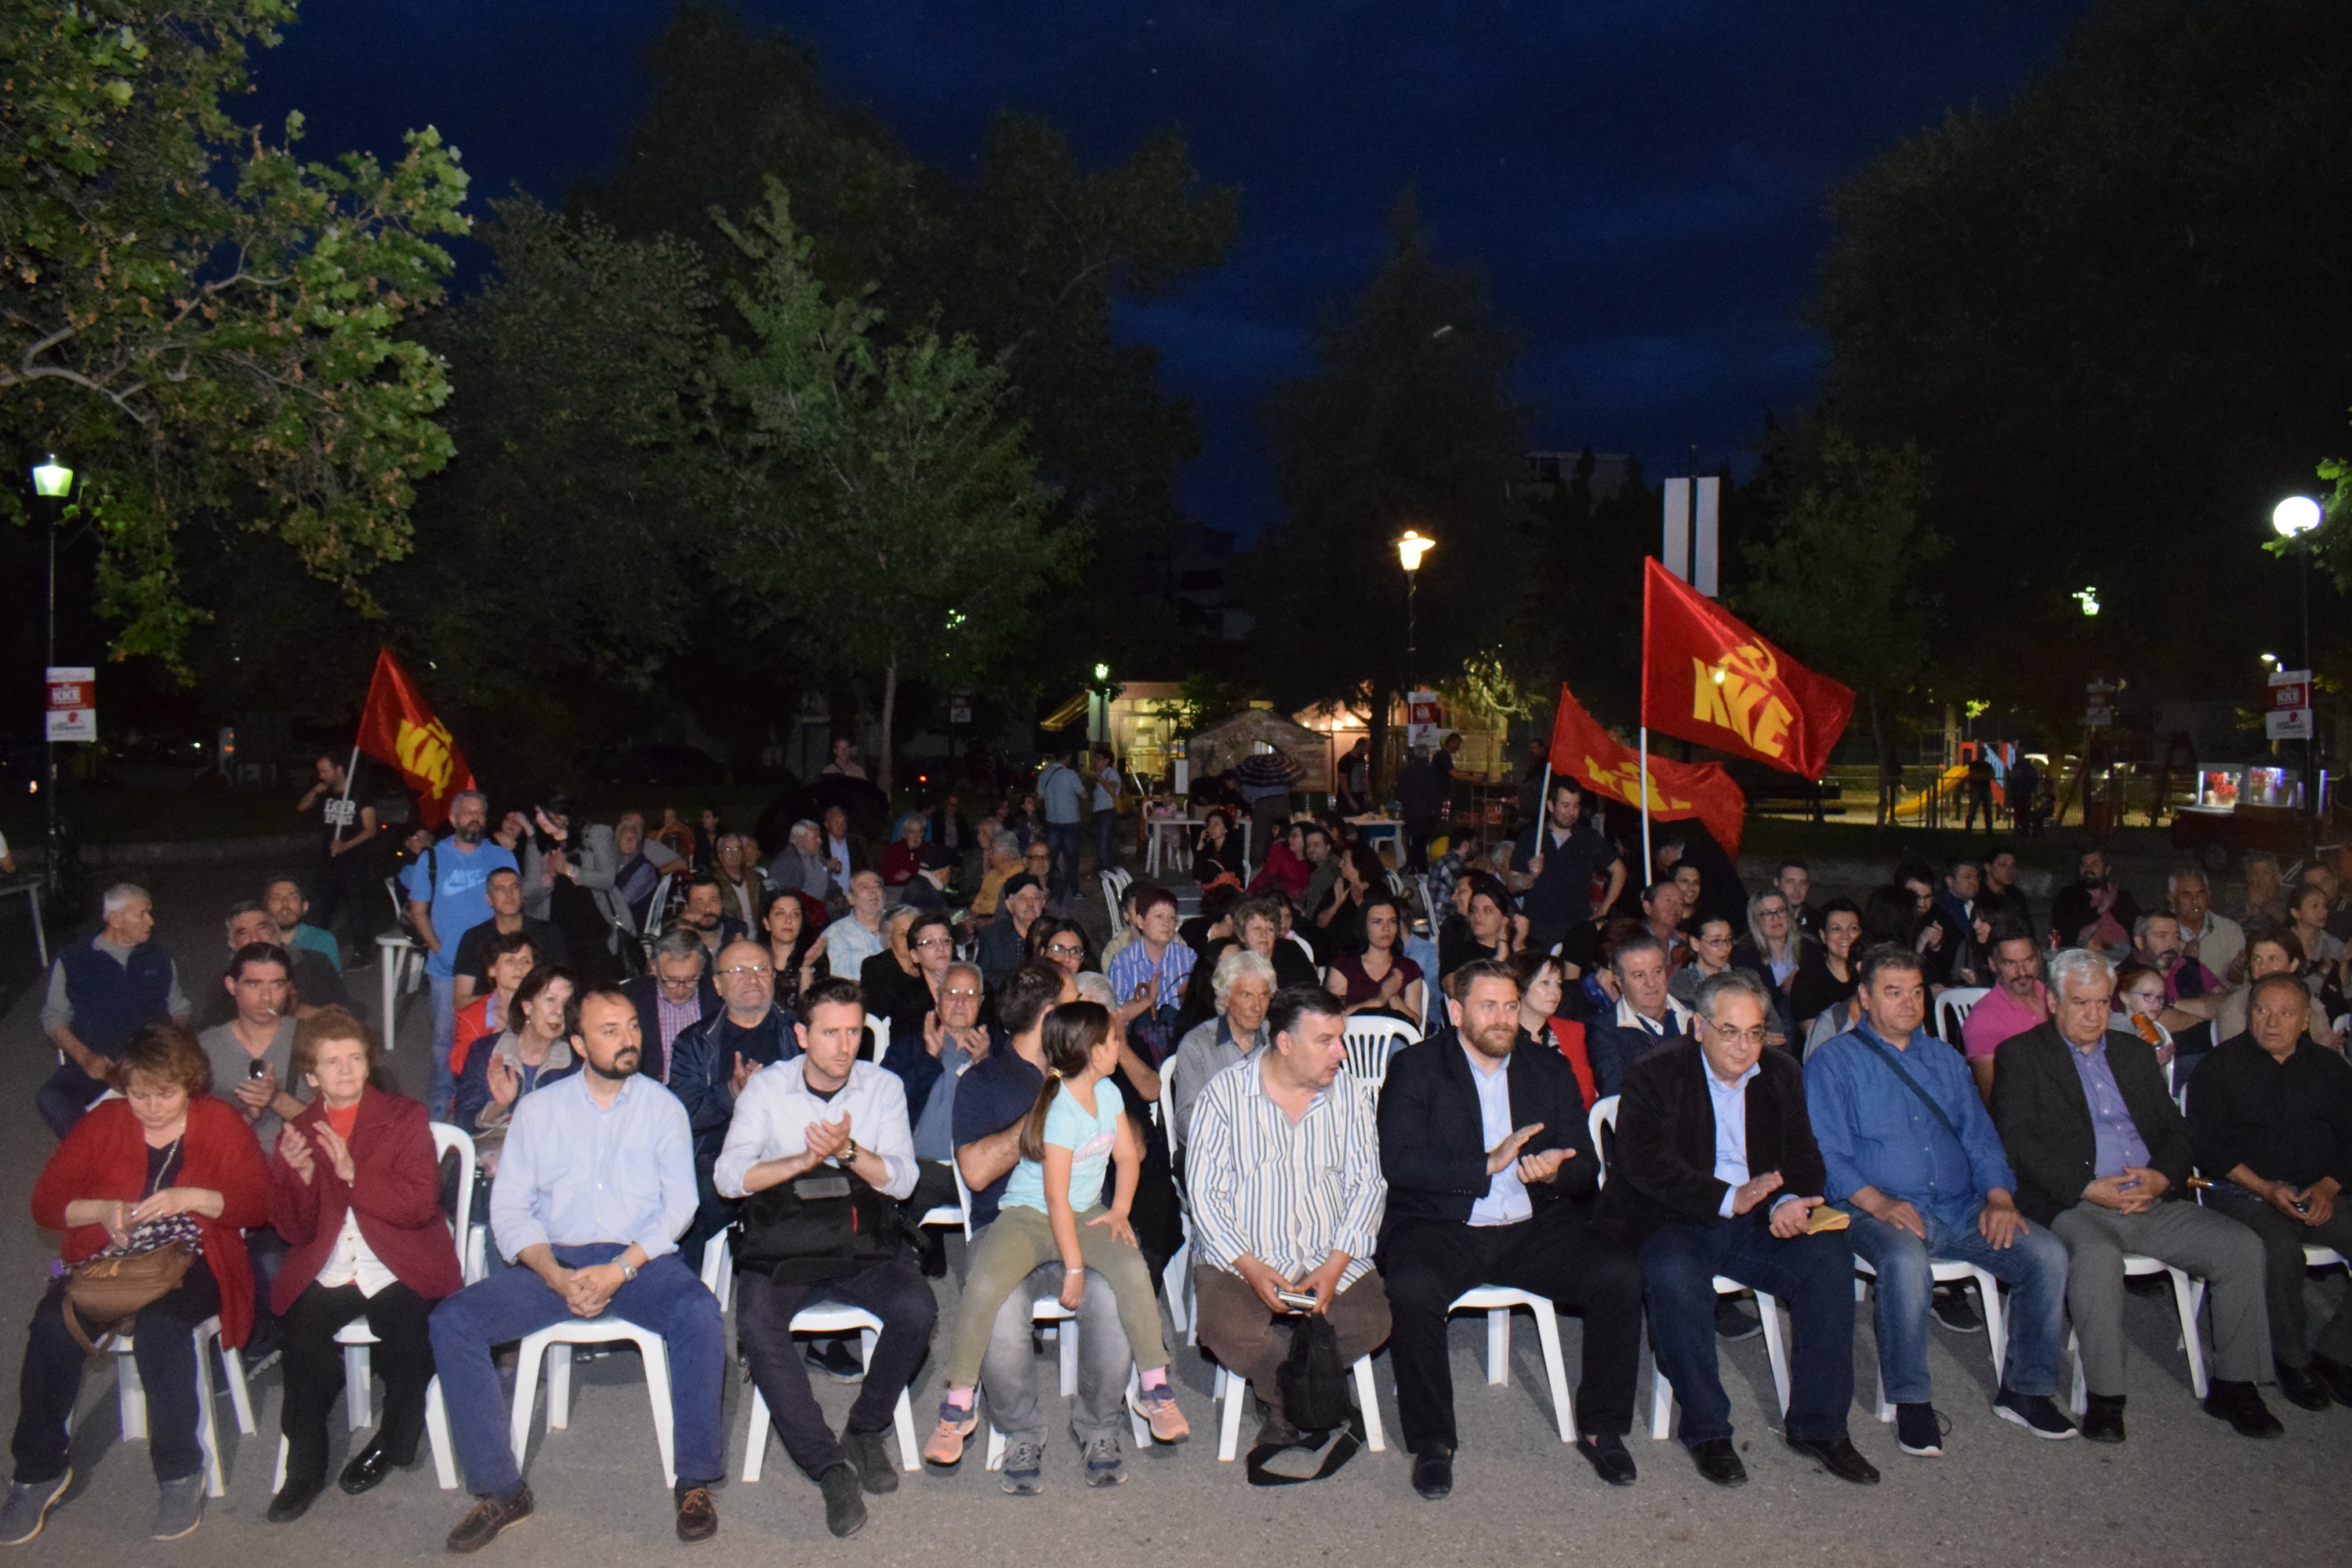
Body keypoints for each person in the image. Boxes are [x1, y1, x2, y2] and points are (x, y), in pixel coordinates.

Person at [426, 983, 724, 1549]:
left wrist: (620, 1269)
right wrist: (555, 1275)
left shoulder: (663, 1107)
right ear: (580, 1044)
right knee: (453, 1321)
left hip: (638, 1260)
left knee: (700, 1315)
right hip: (556, 1260)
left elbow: (680, 1207)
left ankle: (694, 1479)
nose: (628, 1039)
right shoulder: (539, 1111)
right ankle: (501, 1489)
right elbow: (510, 1211)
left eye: (632, 1026)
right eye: (610, 1031)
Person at [1599, 970, 1878, 1488]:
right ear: (1698, 1027)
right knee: (1674, 1275)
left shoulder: (1781, 1073)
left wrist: (1787, 1202)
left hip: (1756, 1219)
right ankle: (1707, 1430)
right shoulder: (1653, 1073)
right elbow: (1644, 1165)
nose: (1743, 1045)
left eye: (1754, 1032)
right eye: (1729, 1031)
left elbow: (1804, 1158)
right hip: (1674, 1216)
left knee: (1828, 1261)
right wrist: (1729, 1197)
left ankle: (1819, 1426)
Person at [1990, 948, 2281, 1442]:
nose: (2094, 1015)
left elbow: (2177, 1131)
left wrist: (2161, 1178)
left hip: (2148, 1197)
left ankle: (2235, 1386)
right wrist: (2087, 1187)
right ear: (2054, 1002)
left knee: (2240, 1246)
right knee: (2097, 1258)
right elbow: (2016, 1143)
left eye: (2102, 1003)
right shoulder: (2022, 1055)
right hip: (2075, 1203)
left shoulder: (2132, 1053)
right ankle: (2106, 1397)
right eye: (2080, 1003)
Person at [1377, 960, 1642, 1494]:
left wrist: (1555, 1171)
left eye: (1510, 1006)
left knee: (1619, 1273)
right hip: (1443, 1223)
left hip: (1533, 1224)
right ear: (1456, 1012)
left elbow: (1586, 1166)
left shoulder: (1547, 1067)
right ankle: (1433, 1441)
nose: (1502, 1018)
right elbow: (1399, 1162)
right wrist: (1486, 1163)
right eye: (1488, 1006)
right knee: (1412, 1286)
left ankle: (1602, 1427)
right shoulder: (1416, 1067)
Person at [4, 1024, 269, 1543]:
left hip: (197, 1257)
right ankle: (38, 1470)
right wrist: (103, 1210)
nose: (150, 1107)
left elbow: (258, 1204)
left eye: (164, 1095)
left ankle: (179, 1471)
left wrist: (191, 1198)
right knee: (51, 1325)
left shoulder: (219, 1122)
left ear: (189, 1084)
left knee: (161, 1327)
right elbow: (46, 1204)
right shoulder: (104, 1122)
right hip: (114, 1261)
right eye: (138, 1094)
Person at [1806, 946, 2076, 1454]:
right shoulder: (1833, 1063)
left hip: (1960, 1205)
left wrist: (1999, 1198)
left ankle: (2026, 1390)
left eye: (1916, 992)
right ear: (1865, 997)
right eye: (1893, 992)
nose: (1909, 1003)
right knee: (1906, 1261)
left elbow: (1981, 1138)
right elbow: (1826, 1154)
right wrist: (1879, 1203)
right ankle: (1911, 1400)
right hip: (1870, 1208)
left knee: (2047, 1254)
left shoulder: (1946, 1060)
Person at [714, 978, 935, 1537]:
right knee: (757, 1324)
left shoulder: (882, 1086)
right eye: (831, 1033)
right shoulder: (767, 1088)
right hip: (785, 1243)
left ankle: (865, 1427)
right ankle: (828, 1464)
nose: (844, 1045)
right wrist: (800, 1161)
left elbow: (904, 1180)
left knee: (917, 1309)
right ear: (801, 1035)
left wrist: (847, 1151)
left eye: (854, 1032)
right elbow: (728, 1177)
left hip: (862, 1240)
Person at [924, 1000, 1189, 1465]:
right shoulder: (1060, 1111)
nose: (1120, 1045)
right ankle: (959, 1401)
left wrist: (1120, 1211)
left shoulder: (1108, 1093)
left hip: (1085, 1212)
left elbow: (1129, 1157)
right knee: (984, 1284)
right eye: (1113, 1040)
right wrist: (1074, 1267)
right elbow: (1054, 1200)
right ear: (1093, 1051)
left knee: (1132, 1269)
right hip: (1030, 1216)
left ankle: (1154, 1386)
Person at [263, 1008, 463, 1522]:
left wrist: (353, 1174)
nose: (347, 1069)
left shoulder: (404, 1116)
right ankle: (305, 1466)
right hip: (330, 1263)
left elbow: (419, 1205)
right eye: (332, 1062)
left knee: (409, 1338)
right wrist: (301, 1179)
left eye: (354, 1058)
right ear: (312, 1076)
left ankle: (392, 1440)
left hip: (400, 1258)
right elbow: (294, 1232)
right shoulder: (298, 1131)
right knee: (301, 1342)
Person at [951, 962, 1138, 1490]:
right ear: (1053, 1014)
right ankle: (1020, 1432)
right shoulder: (983, 1080)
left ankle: (1101, 1426)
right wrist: (1048, 1106)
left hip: (1084, 1221)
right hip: (1008, 1226)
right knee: (1000, 1305)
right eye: (1077, 1000)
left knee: (1117, 1292)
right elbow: (975, 1172)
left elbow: (1133, 1151)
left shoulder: (1092, 1071)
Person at [1187, 986, 1391, 1446]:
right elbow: (1204, 1194)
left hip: (1327, 1250)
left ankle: (1285, 1395)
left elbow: (1368, 1186)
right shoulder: (1224, 1095)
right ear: (1284, 1043)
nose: (1341, 1053)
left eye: (1341, 1039)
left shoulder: (1349, 1094)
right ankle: (1300, 1393)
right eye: (1325, 1041)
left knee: (1372, 1322)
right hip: (1243, 1255)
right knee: (1226, 1330)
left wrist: (1335, 1265)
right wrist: (1252, 1268)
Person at [2184, 971, 2352, 1410]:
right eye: (2262, 1010)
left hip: (2318, 1193)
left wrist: (2329, 1186)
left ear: (2305, 1020)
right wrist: (2264, 1187)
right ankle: (2292, 1360)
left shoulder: (2331, 1069)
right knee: (2278, 1251)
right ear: (2248, 1013)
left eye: (2285, 1013)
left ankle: (2337, 1352)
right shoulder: (2219, 1067)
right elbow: (2204, 1144)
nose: (2272, 1022)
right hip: (2244, 1192)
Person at [667, 938, 801, 1271]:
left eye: (761, 969)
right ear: (718, 985)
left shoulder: (800, 1031)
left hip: (790, 1149)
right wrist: (732, 1091)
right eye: (739, 971)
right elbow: (683, 1115)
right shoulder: (694, 1042)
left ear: (774, 977)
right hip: (718, 1155)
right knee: (696, 1193)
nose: (752, 979)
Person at [38, 883, 191, 1138]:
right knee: (53, 1098)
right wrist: (86, 1058)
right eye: (142, 914)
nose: (151, 921)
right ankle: (94, 1151)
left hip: (152, 1062)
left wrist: (165, 1047)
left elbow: (180, 1008)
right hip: (100, 1062)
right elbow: (54, 1018)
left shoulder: (159, 958)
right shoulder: (73, 960)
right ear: (116, 919)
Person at [402, 791, 520, 1120]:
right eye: (467, 812)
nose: (474, 818)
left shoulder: (501, 857)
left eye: (480, 812)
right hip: (448, 970)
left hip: (496, 969)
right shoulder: (433, 858)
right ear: (453, 819)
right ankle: (441, 1105)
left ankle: (494, 1101)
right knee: (446, 1041)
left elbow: (515, 906)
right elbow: (418, 911)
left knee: (501, 1034)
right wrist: (439, 949)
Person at [197, 942, 305, 1150]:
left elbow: (334, 1123)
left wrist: (277, 1099)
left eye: (276, 985)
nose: (266, 997)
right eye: (254, 984)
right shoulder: (204, 1049)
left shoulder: (313, 1040)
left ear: (288, 988)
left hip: (300, 1163)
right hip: (231, 1162)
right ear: (231, 985)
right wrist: (246, 1117)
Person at [451, 965, 580, 1140]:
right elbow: (462, 1122)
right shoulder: (485, 1050)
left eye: (566, 1004)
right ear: (527, 1007)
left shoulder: (575, 1063)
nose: (559, 1012)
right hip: (493, 1149)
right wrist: (499, 1106)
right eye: (550, 1000)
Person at [1506, 779, 1627, 958]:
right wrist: (1530, 876)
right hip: (1538, 932)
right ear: (1551, 806)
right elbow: (1512, 886)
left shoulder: (1588, 838)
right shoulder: (1531, 838)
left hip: (1576, 932)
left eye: (1576, 806)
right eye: (1565, 806)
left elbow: (1619, 870)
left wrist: (1604, 908)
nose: (1572, 812)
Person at [1170, 948, 1276, 1149]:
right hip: (1214, 1150)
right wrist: (1236, 1136)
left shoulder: (1277, 1040)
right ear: (1225, 997)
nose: (1257, 1007)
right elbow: (1186, 1119)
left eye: (1264, 995)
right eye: (1246, 995)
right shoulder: (1197, 1045)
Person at [193, 900, 350, 1029]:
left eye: (262, 929)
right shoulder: (226, 981)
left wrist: (297, 1011)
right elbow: (209, 1031)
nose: (255, 939)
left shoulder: (313, 962)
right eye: (244, 933)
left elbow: (347, 1016)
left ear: (276, 930)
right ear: (232, 943)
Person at [1586, 933, 1695, 1098]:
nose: (1651, 983)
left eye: (1657, 972)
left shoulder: (1694, 1015)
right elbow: (1618, 1095)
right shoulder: (1606, 1031)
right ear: (1619, 982)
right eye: (1639, 975)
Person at [449, 867, 568, 1012]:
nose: (509, 894)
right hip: (488, 1015)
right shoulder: (473, 938)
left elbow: (563, 987)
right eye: (500, 889)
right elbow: (460, 1000)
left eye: (514, 887)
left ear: (522, 894)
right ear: (489, 899)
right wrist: (499, 1000)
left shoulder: (547, 933)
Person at [295, 754, 379, 951]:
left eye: (325, 771)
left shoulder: (359, 794)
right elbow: (302, 807)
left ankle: (363, 951)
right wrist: (314, 792)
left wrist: (346, 845)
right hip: (328, 862)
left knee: (356, 910)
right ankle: (314, 950)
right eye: (320, 771)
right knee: (319, 908)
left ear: (339, 770)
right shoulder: (326, 793)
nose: (321, 775)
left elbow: (370, 830)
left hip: (354, 862)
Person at [1105, 884, 1194, 1062]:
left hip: (1181, 1045)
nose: (1167, 924)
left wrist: (1187, 997)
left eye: (1172, 917)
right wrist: (1147, 1000)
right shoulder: (1123, 962)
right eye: (1159, 916)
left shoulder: (1188, 957)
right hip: (1138, 1047)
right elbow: (1115, 1016)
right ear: (1140, 921)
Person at [622, 927, 720, 1088]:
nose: (681, 990)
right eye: (671, 981)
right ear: (654, 968)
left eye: (691, 980)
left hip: (704, 1094)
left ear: (702, 970)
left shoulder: (718, 996)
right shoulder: (631, 998)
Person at [1961, 922, 2050, 1098]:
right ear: (1993, 965)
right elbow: (1992, 1099)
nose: (2022, 972)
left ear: (2039, 958)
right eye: (2010, 963)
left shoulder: (2052, 996)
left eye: (2029, 960)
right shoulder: (1983, 1021)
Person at [453, 930, 540, 1087]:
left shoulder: (545, 1010)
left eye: (526, 961)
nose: (519, 967)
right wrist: (490, 1043)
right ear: (492, 970)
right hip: (484, 1088)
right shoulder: (472, 1014)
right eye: (510, 961)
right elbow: (459, 1066)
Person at [1327, 889, 1425, 1025]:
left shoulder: (1408, 968)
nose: (1386, 928)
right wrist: (1379, 999)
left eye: (1392, 921)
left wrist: (1393, 997)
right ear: (1364, 926)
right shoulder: (1343, 966)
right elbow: (1332, 1016)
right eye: (1377, 922)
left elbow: (1416, 1022)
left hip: (1395, 1035)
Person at [1514, 949, 1596, 1108]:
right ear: (1520, 988)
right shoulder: (1502, 1035)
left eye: (1558, 984)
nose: (1555, 991)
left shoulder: (1573, 1032)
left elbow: (1586, 1095)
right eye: (1545, 983)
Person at [1790, 899, 1864, 1044]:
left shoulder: (1868, 976)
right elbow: (1815, 1035)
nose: (1846, 936)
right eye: (1836, 929)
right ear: (1823, 935)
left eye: (1853, 929)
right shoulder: (1808, 979)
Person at [2050, 848, 2139, 958]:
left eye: (2095, 865)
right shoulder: (2068, 895)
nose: (2088, 869)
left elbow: (2137, 926)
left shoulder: (2122, 896)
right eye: (2084, 865)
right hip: (2084, 953)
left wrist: (2113, 903)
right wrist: (2099, 909)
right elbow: (2064, 927)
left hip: (2121, 951)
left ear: (2107, 870)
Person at [1438, 873, 1522, 982]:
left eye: (1487, 910)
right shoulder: (1459, 950)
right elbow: (1455, 988)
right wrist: (1500, 958)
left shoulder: (1520, 944)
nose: (1477, 916)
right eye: (1473, 910)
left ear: (1504, 918)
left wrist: (1519, 947)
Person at [2169, 868, 2245, 985]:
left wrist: (2237, 975)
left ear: (2208, 895)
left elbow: (2242, 983)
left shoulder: (2229, 930)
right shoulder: (2161, 932)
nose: (2195, 901)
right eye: (2186, 895)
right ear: (2172, 899)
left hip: (2225, 995)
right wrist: (2184, 963)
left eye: (2200, 894)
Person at [976, 873, 1047, 993]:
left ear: (1043, 903)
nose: (1031, 904)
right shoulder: (993, 936)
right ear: (1009, 905)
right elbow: (980, 976)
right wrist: (1018, 981)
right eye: (1023, 899)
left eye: (1036, 898)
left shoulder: (1053, 934)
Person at [1036, 751, 1087, 907]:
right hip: (1070, 822)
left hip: (1052, 821)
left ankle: (1050, 889)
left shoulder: (1045, 775)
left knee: (1050, 859)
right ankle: (1072, 890)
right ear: (1068, 758)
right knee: (1071, 859)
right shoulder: (1070, 775)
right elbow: (1084, 795)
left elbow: (1039, 797)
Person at [821, 869, 889, 982]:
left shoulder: (900, 926)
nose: (873, 891)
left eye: (877, 886)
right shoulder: (834, 934)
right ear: (850, 899)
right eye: (864, 887)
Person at [263, 877, 343, 971]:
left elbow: (332, 978)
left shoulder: (322, 940)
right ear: (265, 908)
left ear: (304, 907)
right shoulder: (258, 939)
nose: (285, 904)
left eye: (293, 898)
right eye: (276, 898)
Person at [1670, 916, 1737, 1011]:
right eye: (1716, 941)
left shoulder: (1744, 977)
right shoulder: (1680, 983)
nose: (1725, 948)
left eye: (1728, 940)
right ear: (1695, 943)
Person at [1395, 744, 1442, 875]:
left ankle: (1414, 868)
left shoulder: (1405, 771)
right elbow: (1435, 793)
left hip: (1411, 813)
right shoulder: (1432, 771)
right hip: (1428, 814)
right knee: (1420, 843)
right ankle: (1417, 868)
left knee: (1416, 842)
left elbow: (1398, 794)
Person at [768, 819, 833, 905]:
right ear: (800, 839)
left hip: (823, 905)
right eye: (815, 837)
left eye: (819, 837)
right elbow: (780, 893)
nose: (820, 841)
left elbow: (825, 880)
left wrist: (835, 894)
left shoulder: (818, 854)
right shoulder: (786, 861)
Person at [1979, 845, 2032, 933]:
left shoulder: (2015, 895)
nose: (2010, 870)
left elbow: (2027, 927)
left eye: (2013, 866)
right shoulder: (1978, 895)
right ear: (1988, 867)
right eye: (2003, 865)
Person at [2236, 851, 2288, 935]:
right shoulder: (2239, 898)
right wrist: (2249, 915)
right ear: (2248, 878)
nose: (2261, 879)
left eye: (2266, 873)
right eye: (2255, 874)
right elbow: (2225, 929)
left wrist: (2265, 905)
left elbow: (2294, 924)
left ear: (2276, 875)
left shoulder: (2290, 895)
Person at [1193, 808, 1247, 887]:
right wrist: (1199, 848)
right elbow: (1197, 876)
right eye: (1209, 824)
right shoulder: (1209, 846)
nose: (1211, 828)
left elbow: (1228, 872)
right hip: (1212, 889)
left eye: (1216, 824)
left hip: (1230, 889)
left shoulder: (1234, 846)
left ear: (1226, 829)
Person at [1091, 746, 1123, 873]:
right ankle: (1105, 872)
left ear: (1107, 760)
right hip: (1100, 813)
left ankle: (1108, 874)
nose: (1096, 762)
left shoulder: (1111, 773)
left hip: (1107, 812)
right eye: (1096, 759)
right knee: (1101, 845)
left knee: (1103, 845)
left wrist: (1099, 778)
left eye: (1099, 759)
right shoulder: (1102, 775)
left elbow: (1112, 789)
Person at [878, 813, 931, 887]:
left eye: (920, 831)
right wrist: (895, 878)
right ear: (905, 833)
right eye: (912, 832)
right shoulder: (895, 850)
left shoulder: (926, 849)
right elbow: (884, 878)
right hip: (897, 889)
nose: (916, 836)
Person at [1776, 860, 1821, 938]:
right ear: (1777, 883)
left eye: (1802, 883)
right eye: (1790, 882)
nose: (1797, 889)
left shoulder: (1817, 921)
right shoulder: (1765, 919)